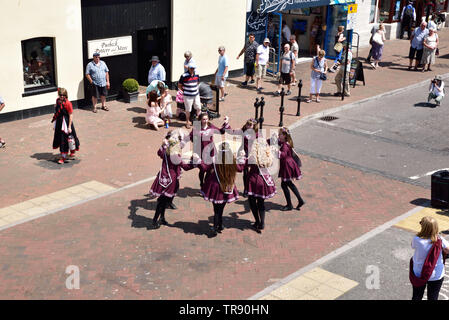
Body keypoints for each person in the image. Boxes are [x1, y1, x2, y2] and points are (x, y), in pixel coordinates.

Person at [196, 142, 244, 236]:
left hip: (215, 187)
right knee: (221, 208)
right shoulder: (232, 160)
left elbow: (205, 168)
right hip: (227, 186)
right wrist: (242, 157)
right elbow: (240, 168)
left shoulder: (215, 160)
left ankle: (215, 227)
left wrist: (198, 160)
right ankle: (220, 224)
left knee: (216, 209)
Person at [149, 131, 195, 228]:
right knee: (162, 201)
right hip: (171, 178)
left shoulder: (166, 149)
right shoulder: (175, 155)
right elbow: (186, 167)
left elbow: (159, 152)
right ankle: (155, 221)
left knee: (163, 200)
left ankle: (161, 218)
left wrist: (163, 143)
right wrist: (195, 163)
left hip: (163, 176)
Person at [186, 112, 230, 189]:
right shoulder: (197, 128)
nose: (205, 121)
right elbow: (190, 137)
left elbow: (221, 131)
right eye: (203, 119)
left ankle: (206, 185)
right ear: (200, 120)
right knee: (202, 170)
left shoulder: (211, 126)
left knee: (210, 169)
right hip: (201, 151)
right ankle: (201, 183)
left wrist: (226, 122)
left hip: (211, 151)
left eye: (207, 119)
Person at [410, 216, 449, 300]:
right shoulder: (440, 240)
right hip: (436, 275)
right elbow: (448, 250)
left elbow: (412, 246)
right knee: (433, 297)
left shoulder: (416, 239)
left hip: (418, 273)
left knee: (417, 296)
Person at [243, 138, 276, 233]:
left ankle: (257, 220)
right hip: (264, 179)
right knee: (261, 202)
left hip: (254, 179)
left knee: (252, 201)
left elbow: (244, 165)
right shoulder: (268, 155)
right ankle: (262, 223)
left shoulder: (253, 156)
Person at [276, 127, 305, 211]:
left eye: (280, 134)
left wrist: (277, 152)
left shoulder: (285, 145)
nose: (279, 135)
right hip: (289, 164)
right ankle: (299, 200)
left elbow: (283, 154)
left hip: (287, 165)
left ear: (284, 135)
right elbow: (279, 142)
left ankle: (290, 205)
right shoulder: (286, 142)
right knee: (288, 184)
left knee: (285, 184)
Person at [51, 88, 80, 164]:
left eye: (63, 95)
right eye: (60, 95)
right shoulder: (57, 101)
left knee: (68, 138)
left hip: (66, 122)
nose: (62, 97)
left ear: (66, 95)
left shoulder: (68, 103)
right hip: (59, 122)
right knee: (62, 138)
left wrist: (69, 126)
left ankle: (65, 156)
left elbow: (71, 115)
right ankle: (68, 153)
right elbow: (57, 112)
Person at [178, 62, 201, 129]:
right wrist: (184, 91)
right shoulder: (184, 75)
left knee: (199, 107)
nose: (192, 69)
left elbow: (197, 82)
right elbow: (179, 85)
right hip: (188, 96)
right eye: (191, 68)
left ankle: (199, 121)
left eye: (193, 68)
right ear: (188, 68)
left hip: (196, 94)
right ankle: (187, 121)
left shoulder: (197, 74)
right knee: (188, 110)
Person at [239, 118, 259, 197]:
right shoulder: (243, 132)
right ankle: (246, 189)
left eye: (251, 125)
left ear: (254, 126)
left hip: (253, 154)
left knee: (254, 173)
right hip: (245, 153)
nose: (248, 126)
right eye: (248, 124)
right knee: (245, 173)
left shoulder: (257, 134)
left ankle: (253, 188)